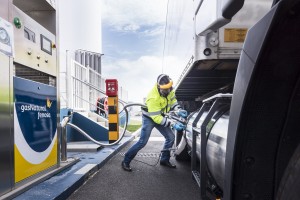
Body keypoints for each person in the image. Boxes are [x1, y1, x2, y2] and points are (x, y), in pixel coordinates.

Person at [121, 74, 188, 172]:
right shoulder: (153, 97)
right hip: (149, 118)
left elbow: (173, 101)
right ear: (159, 87)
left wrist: (178, 109)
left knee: (171, 137)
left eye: (169, 89)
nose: (168, 91)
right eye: (166, 90)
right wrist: (173, 124)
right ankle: (125, 161)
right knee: (142, 142)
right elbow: (156, 118)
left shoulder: (169, 90)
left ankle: (164, 160)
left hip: (160, 115)